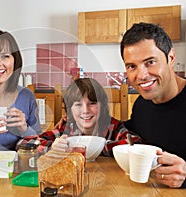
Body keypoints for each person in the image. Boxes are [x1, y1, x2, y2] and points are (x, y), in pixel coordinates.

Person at [120, 22, 186, 188]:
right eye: (132, 66)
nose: (141, 75)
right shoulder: (141, 104)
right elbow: (126, 132)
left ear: (171, 58)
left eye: (150, 62)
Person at [18, 78, 141, 156]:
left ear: (102, 106)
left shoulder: (112, 126)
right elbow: (25, 142)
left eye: (92, 103)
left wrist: (95, 148)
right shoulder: (67, 128)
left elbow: (135, 142)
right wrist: (51, 147)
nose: (85, 111)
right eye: (78, 105)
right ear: (70, 110)